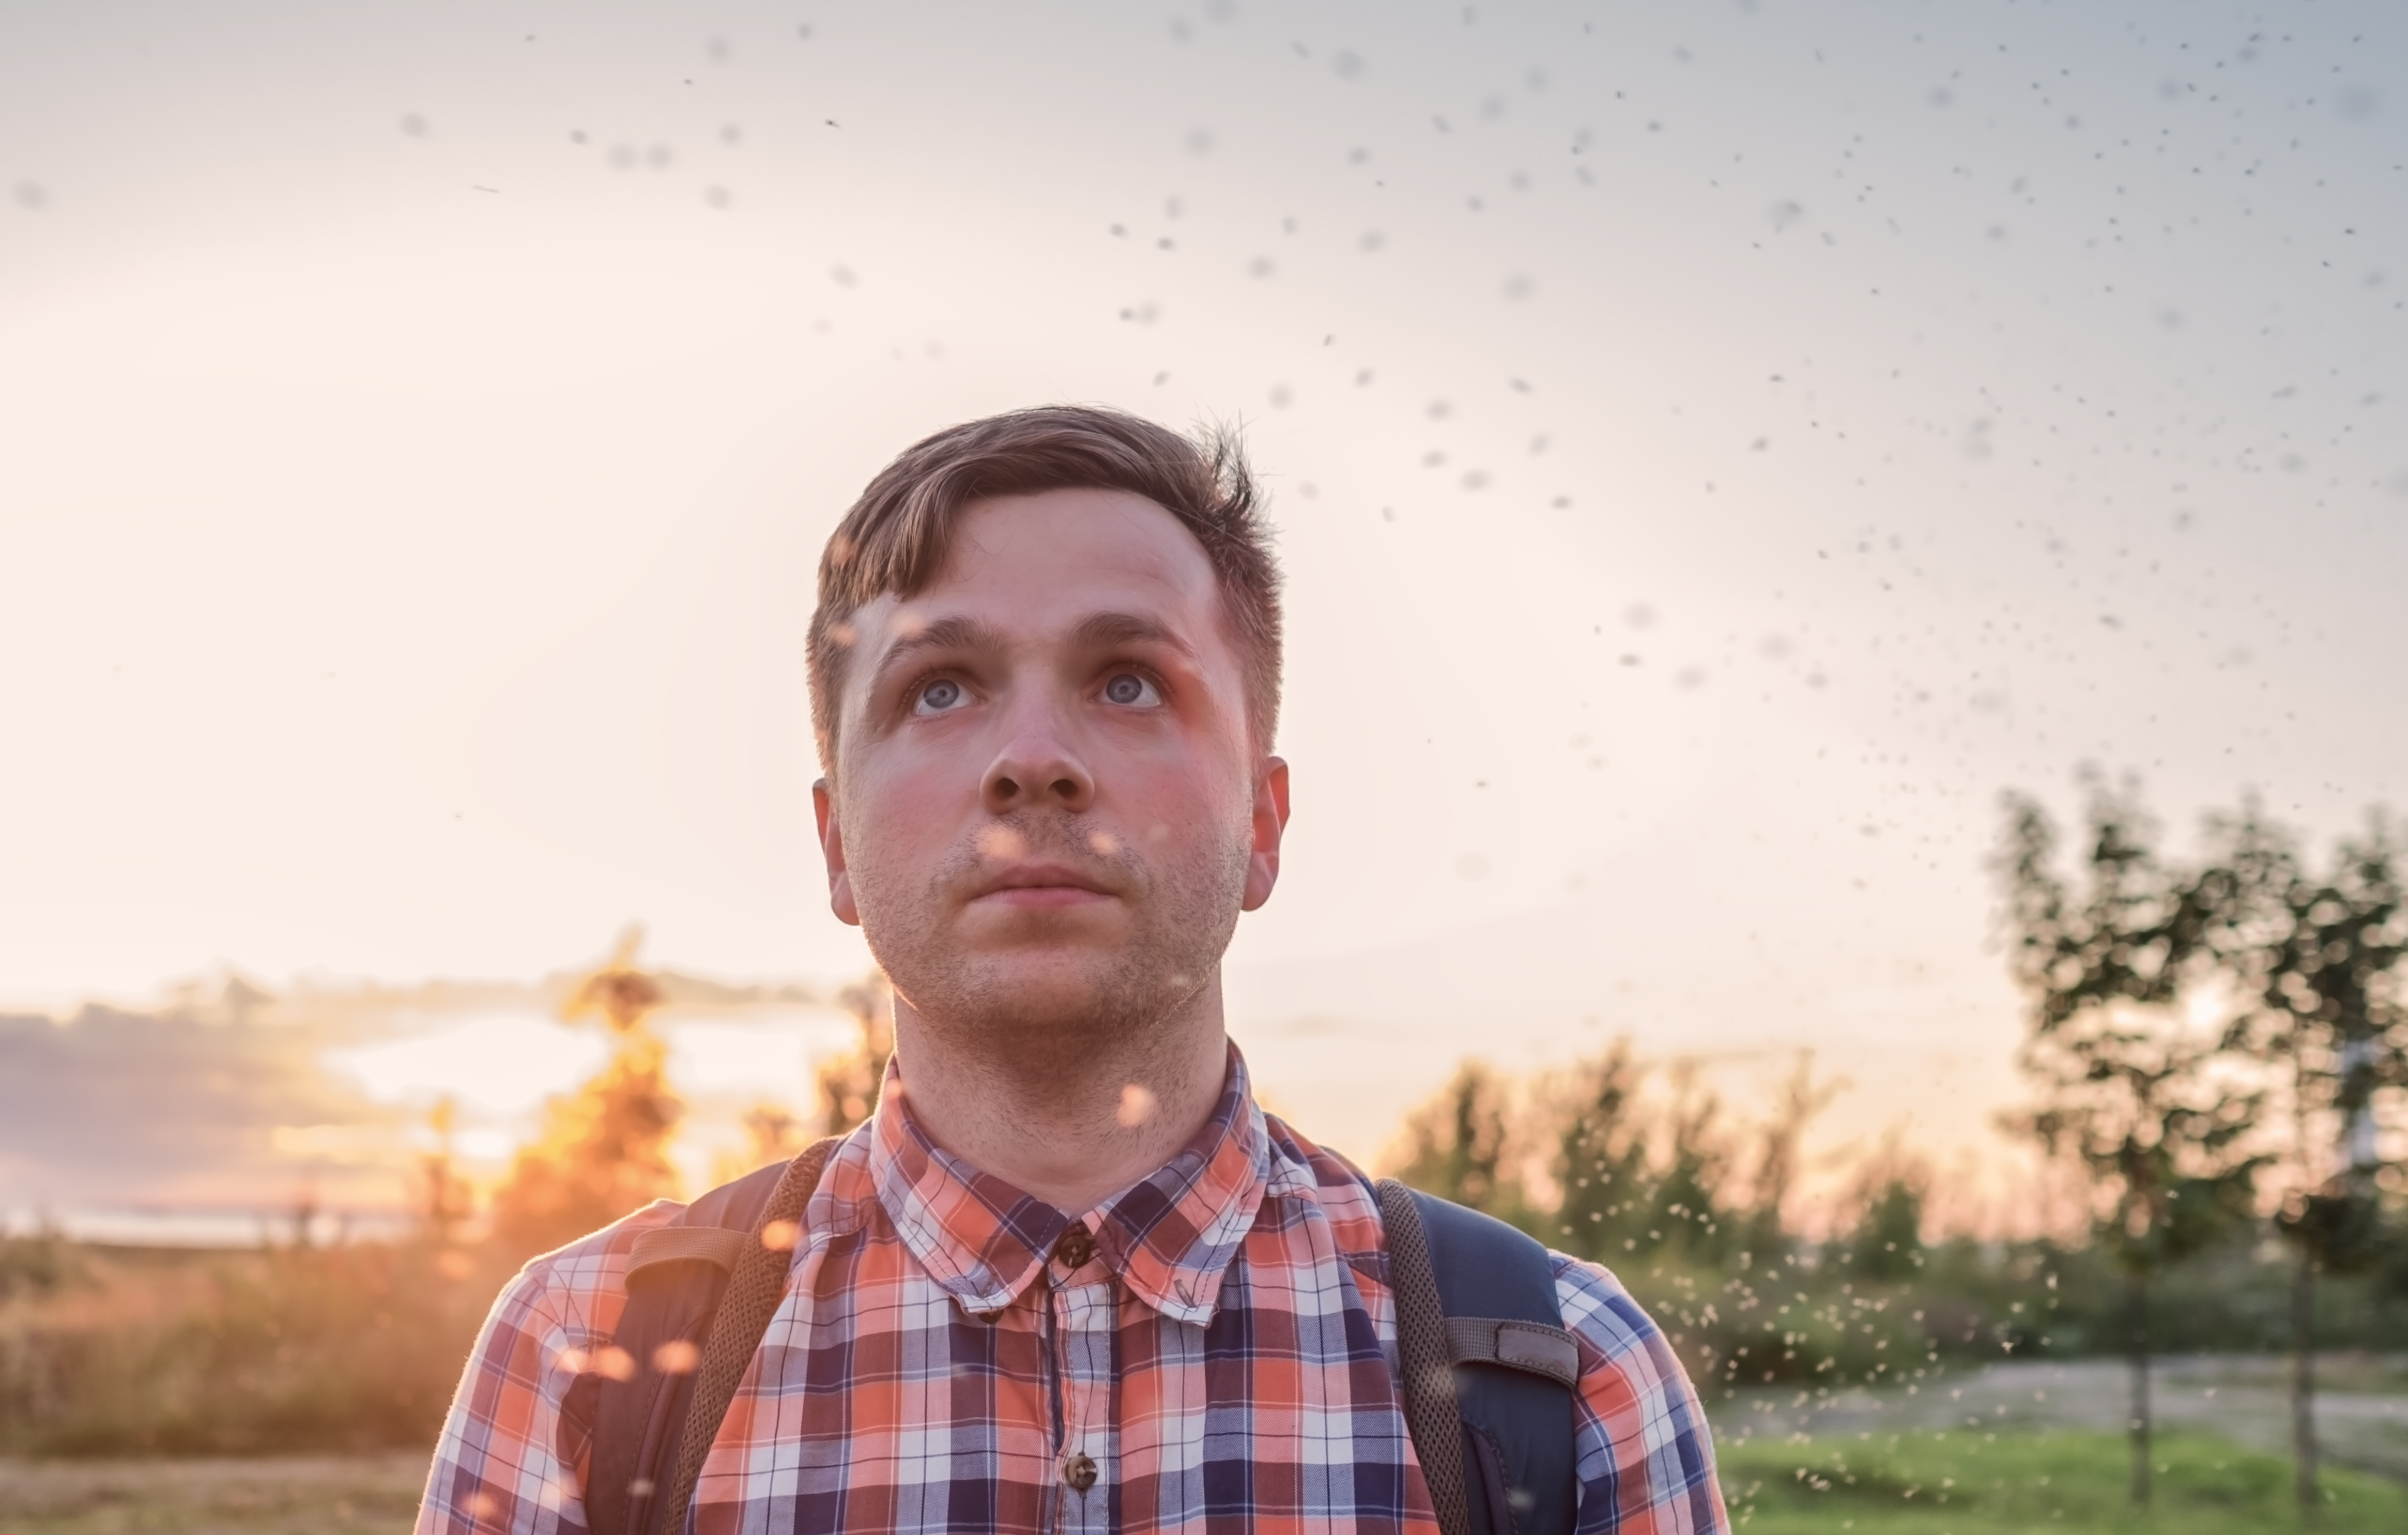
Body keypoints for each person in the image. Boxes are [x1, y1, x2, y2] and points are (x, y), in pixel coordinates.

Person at [417, 407, 1727, 1533]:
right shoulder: (585, 1361)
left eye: (1125, 680)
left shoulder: (1560, 1372)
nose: (1033, 757)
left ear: (1260, 824)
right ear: (836, 845)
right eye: (939, 687)